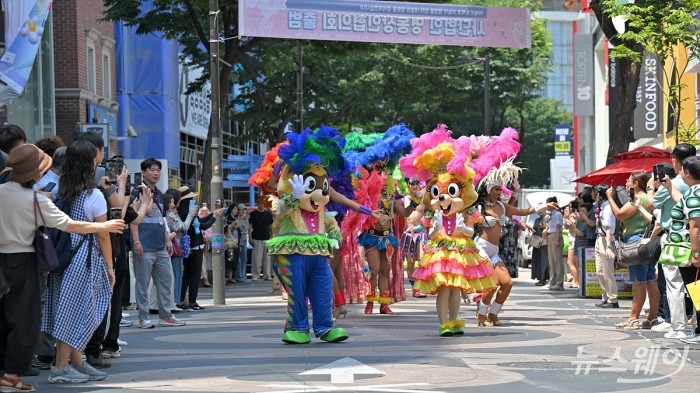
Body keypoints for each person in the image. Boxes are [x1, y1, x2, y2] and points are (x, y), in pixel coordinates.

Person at [0, 143, 125, 390]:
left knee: (4, 317)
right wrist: (104, 227)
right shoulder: (37, 200)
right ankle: (13, 375)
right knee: (24, 321)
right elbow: (71, 225)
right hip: (25, 261)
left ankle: (17, 371)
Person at [41, 140, 128, 384]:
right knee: (78, 312)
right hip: (83, 259)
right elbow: (103, 234)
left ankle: (77, 362)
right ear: (92, 161)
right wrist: (110, 267)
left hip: (60, 256)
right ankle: (59, 368)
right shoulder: (93, 195)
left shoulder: (58, 189)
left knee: (68, 309)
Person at [648, 144, 696, 338]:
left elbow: (653, 203)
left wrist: (655, 186)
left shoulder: (680, 182)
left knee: (674, 283)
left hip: (678, 240)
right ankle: (695, 325)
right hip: (692, 240)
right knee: (694, 284)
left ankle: (678, 326)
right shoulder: (691, 187)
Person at [131, 158, 185, 328]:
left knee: (166, 280)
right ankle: (143, 317)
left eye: (158, 170)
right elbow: (133, 220)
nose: (155, 173)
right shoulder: (137, 192)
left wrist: (168, 239)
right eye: (152, 170)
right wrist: (137, 242)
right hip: (144, 246)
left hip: (160, 245)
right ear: (144, 172)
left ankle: (166, 315)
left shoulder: (160, 194)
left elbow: (162, 219)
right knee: (143, 283)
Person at [475, 181, 536, 326]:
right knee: (492, 284)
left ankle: (493, 314)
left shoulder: (502, 206)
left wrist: (544, 206)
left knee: (507, 283)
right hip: (480, 249)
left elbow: (523, 211)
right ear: (488, 190)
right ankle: (481, 314)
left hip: (494, 251)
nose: (499, 192)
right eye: (496, 189)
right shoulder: (477, 206)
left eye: (499, 189)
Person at [606, 171, 659, 329]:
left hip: (635, 242)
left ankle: (633, 318)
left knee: (639, 282)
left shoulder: (639, 198)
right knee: (650, 281)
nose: (626, 184)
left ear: (636, 184)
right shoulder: (648, 198)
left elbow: (619, 214)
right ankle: (652, 318)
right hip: (647, 241)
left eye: (628, 181)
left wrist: (610, 197)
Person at [660, 155, 700, 344]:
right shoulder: (693, 193)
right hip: (691, 249)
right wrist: (669, 187)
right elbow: (682, 203)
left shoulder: (695, 194)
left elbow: (695, 226)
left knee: (696, 290)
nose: (681, 174)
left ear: (688, 172)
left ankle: (699, 331)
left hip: (690, 250)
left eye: (683, 170)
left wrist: (696, 253)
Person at [179, 195, 221, 310]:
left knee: (186, 275)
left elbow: (200, 221)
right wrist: (214, 217)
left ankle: (181, 300)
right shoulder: (189, 213)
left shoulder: (183, 213)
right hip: (195, 246)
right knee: (194, 276)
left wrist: (212, 214)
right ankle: (192, 302)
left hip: (188, 247)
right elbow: (203, 226)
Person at [165, 189, 196, 310]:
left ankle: (176, 300)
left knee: (175, 274)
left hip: (174, 247)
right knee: (176, 274)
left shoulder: (170, 213)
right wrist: (191, 214)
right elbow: (182, 227)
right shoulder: (171, 214)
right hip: (174, 247)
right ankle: (176, 301)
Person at [400, 177, 428, 298]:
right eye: (413, 183)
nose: (415, 186)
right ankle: (414, 288)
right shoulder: (403, 200)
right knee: (410, 263)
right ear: (408, 185)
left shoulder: (424, 199)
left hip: (421, 233)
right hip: (408, 234)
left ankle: (419, 287)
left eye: (417, 183)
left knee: (422, 260)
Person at [594, 185, 619, 309]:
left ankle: (613, 299)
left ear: (600, 194)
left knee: (608, 271)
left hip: (605, 239)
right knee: (599, 271)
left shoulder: (608, 208)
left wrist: (608, 245)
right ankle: (605, 296)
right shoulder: (601, 207)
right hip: (599, 238)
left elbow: (608, 228)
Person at [249, 197, 274, 281]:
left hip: (267, 238)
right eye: (260, 203)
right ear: (257, 203)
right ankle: (255, 275)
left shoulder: (268, 214)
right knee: (256, 258)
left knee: (267, 258)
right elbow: (250, 226)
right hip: (256, 237)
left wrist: (272, 236)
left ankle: (267, 275)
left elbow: (271, 226)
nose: (262, 205)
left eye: (263, 203)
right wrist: (250, 237)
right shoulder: (253, 214)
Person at [544, 197, 565, 290]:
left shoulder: (557, 214)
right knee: (551, 261)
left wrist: (557, 240)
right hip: (550, 236)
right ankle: (552, 281)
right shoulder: (551, 214)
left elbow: (558, 228)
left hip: (555, 236)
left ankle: (559, 283)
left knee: (557, 261)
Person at [531, 205, 549, 286]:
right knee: (537, 260)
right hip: (537, 243)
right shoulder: (537, 220)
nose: (540, 212)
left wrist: (545, 227)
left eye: (541, 210)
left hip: (545, 243)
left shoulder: (548, 218)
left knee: (544, 261)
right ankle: (539, 278)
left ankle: (544, 279)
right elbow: (534, 231)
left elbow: (551, 228)